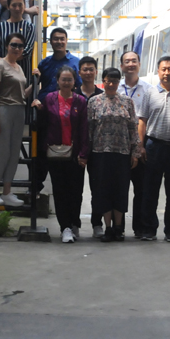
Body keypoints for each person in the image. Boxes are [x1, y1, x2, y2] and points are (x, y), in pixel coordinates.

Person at [33, 66, 89, 243]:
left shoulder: (81, 101)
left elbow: (84, 129)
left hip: (75, 154)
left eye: (69, 79)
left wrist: (84, 153)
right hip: (55, 153)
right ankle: (65, 227)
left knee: (76, 192)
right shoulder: (50, 98)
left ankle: (74, 223)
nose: (66, 82)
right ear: (57, 81)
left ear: (74, 81)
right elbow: (43, 122)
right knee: (60, 192)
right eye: (63, 79)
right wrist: (38, 108)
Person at [137, 56, 170, 242]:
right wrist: (141, 146)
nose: (167, 73)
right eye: (164, 69)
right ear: (158, 71)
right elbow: (142, 121)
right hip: (153, 146)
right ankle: (149, 229)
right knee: (150, 191)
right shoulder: (150, 93)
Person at [87, 67, 139, 242]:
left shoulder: (127, 102)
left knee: (120, 191)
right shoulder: (94, 102)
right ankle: (107, 228)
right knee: (103, 191)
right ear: (103, 81)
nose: (111, 84)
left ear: (119, 83)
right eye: (108, 81)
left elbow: (133, 128)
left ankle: (118, 228)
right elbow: (89, 129)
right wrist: (86, 153)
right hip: (100, 153)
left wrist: (135, 152)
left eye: (115, 81)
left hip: (122, 153)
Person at [0, 32, 33, 207]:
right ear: (7, 46)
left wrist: (36, 82)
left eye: (20, 46)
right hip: (4, 110)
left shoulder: (18, 68)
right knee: (3, 152)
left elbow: (22, 95)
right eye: (13, 44)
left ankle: (7, 191)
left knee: (14, 153)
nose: (17, 48)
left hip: (19, 110)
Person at [119, 51, 152, 239]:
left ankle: (140, 228)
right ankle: (119, 227)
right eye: (127, 61)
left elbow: (145, 120)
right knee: (120, 188)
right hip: (119, 145)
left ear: (139, 64)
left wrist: (139, 147)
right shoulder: (115, 87)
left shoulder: (148, 89)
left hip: (140, 144)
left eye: (134, 61)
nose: (130, 64)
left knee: (141, 189)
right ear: (121, 66)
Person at [77, 56, 105, 238]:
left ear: (96, 72)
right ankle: (74, 223)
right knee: (75, 189)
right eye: (84, 69)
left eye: (91, 69)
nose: (88, 72)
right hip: (77, 148)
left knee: (98, 188)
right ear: (79, 72)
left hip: (97, 149)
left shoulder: (102, 95)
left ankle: (97, 223)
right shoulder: (73, 94)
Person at [0, 0, 35, 76]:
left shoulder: (30, 27)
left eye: (20, 5)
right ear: (8, 7)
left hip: (23, 71)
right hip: (3, 72)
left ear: (24, 6)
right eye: (14, 5)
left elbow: (27, 50)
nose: (17, 8)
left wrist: (6, 60)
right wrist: (5, 62)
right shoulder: (0, 27)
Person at [35, 28, 80, 98]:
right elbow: (35, 84)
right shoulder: (44, 63)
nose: (59, 42)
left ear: (66, 41)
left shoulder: (76, 63)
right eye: (56, 39)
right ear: (50, 41)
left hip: (66, 103)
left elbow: (80, 87)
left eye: (62, 39)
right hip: (43, 103)